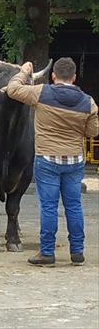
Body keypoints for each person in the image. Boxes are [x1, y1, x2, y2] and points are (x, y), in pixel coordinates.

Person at [7, 57, 99, 267]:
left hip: (47, 158)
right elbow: (93, 132)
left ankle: (47, 252)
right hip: (74, 160)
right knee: (74, 206)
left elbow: (12, 89)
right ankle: (77, 251)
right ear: (74, 77)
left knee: (49, 207)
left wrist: (24, 71)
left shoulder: (41, 92)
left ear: (53, 76)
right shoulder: (88, 102)